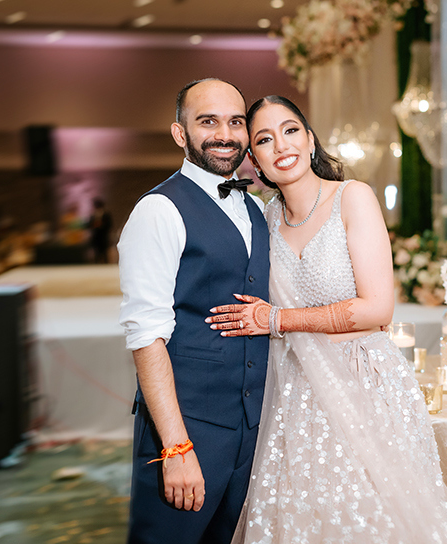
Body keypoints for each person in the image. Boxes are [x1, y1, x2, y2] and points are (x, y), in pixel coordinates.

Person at [207, 96, 447, 543]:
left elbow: (377, 309)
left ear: (310, 139)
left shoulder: (352, 198)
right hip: (293, 392)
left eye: (291, 130)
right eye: (264, 139)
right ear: (253, 159)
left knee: (374, 514)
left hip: (362, 382)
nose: (282, 145)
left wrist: (277, 319)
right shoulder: (264, 219)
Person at [117, 78, 269, 544]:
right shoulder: (159, 210)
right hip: (189, 428)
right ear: (180, 134)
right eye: (208, 121)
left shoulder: (258, 208)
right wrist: (176, 446)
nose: (225, 134)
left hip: (253, 428)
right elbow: (146, 335)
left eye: (235, 121)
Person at [88, 198, 112, 263]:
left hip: (103, 236)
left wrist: (102, 225)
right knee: (96, 252)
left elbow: (109, 225)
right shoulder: (93, 215)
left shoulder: (106, 215)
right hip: (96, 236)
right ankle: (97, 263)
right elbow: (89, 225)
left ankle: (105, 264)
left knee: (104, 252)